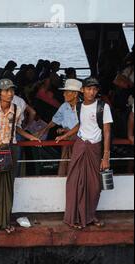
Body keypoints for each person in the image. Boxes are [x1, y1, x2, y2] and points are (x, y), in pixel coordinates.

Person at [0, 79, 40, 234]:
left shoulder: (16, 109)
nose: (10, 94)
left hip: (10, 150)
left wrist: (30, 137)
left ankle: (2, 222)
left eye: (12, 90)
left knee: (8, 188)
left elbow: (16, 128)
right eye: (6, 91)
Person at [56, 77, 113, 229]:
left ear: (97, 91)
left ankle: (90, 215)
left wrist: (106, 156)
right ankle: (73, 217)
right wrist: (65, 136)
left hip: (95, 148)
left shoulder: (103, 107)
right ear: (82, 90)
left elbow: (107, 131)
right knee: (74, 182)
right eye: (88, 89)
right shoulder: (79, 106)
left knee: (94, 185)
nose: (91, 92)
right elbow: (80, 124)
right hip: (80, 146)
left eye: (94, 89)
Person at [36, 79, 82, 176]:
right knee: (65, 162)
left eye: (66, 92)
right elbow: (55, 120)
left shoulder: (83, 107)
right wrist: (43, 130)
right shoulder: (64, 106)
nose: (64, 94)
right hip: (66, 139)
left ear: (75, 94)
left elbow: (82, 125)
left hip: (80, 141)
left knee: (77, 164)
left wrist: (66, 131)